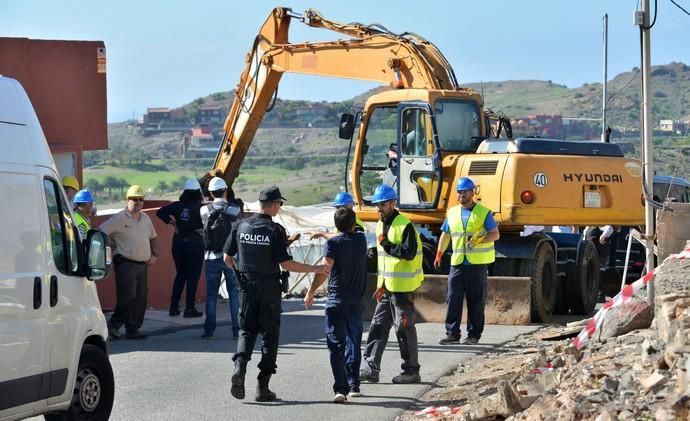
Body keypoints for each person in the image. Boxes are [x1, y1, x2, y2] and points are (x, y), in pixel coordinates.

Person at [224, 186, 330, 402]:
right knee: (270, 337)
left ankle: (239, 368)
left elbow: (227, 258)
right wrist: (315, 269)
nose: (279, 207)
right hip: (269, 289)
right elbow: (286, 263)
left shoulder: (240, 226)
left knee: (246, 331)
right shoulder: (275, 230)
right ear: (273, 204)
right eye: (279, 203)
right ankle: (263, 387)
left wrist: (240, 278)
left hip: (246, 287)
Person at [359, 184, 424, 384]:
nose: (379, 208)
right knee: (378, 325)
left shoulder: (404, 225)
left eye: (383, 204)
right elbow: (384, 258)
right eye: (377, 205)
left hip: (403, 289)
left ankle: (411, 371)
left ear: (393, 203)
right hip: (387, 286)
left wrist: (386, 243)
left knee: (403, 329)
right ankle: (371, 367)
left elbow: (408, 252)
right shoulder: (380, 224)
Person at [304, 207, 367, 403]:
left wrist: (311, 291)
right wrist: (326, 234)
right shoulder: (361, 240)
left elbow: (324, 270)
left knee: (335, 345)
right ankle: (354, 384)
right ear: (354, 224)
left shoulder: (332, 244)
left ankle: (341, 389)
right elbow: (343, 234)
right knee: (354, 341)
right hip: (356, 302)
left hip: (336, 301)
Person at [434, 177, 500, 345]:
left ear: (473, 192)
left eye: (465, 192)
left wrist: (479, 241)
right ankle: (452, 333)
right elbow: (446, 235)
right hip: (457, 263)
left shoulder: (483, 212)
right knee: (452, 298)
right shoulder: (452, 212)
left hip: (477, 265)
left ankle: (473, 335)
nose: (462, 195)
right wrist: (439, 254)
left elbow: (495, 234)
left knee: (476, 301)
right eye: (460, 192)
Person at [99, 185, 158, 340]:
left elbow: (153, 237)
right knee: (128, 295)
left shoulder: (145, 218)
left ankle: (133, 329)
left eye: (141, 199)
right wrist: (111, 245)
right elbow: (101, 231)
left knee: (141, 297)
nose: (138, 202)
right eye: (134, 199)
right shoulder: (119, 218)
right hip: (126, 263)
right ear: (127, 200)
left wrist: (154, 254)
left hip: (142, 264)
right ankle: (114, 325)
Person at [155, 179, 205, 318]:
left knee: (181, 275)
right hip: (195, 243)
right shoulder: (200, 207)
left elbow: (160, 212)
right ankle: (190, 308)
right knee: (193, 277)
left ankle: (173, 307)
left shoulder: (177, 206)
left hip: (178, 243)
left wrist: (173, 223)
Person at [200, 177, 242, 339]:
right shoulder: (234, 209)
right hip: (231, 257)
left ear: (210, 193)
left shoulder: (204, 210)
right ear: (225, 190)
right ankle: (236, 330)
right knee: (234, 293)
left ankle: (209, 331)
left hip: (210, 257)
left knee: (211, 295)